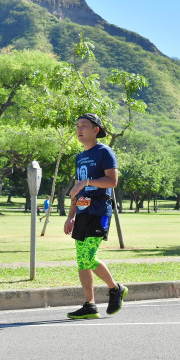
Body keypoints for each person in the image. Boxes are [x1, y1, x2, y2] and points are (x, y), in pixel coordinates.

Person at [63, 113, 127, 319]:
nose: (79, 130)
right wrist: (71, 216)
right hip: (81, 213)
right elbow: (76, 190)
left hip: (99, 211)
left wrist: (86, 182)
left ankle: (115, 288)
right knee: (82, 261)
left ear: (96, 130)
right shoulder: (80, 157)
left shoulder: (104, 152)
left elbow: (112, 182)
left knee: (88, 256)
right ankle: (89, 305)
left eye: (84, 126)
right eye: (77, 126)